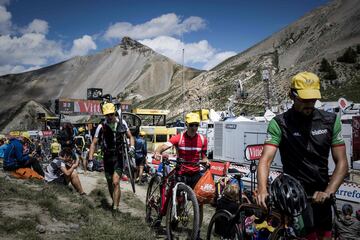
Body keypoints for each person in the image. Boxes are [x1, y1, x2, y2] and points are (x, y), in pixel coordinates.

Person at [256, 72, 348, 240]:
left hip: (323, 193)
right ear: (292, 95)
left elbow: (342, 163)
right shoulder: (279, 123)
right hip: (294, 195)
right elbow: (265, 160)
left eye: (312, 99)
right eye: (304, 99)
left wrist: (328, 191)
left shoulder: (331, 120)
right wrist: (262, 189)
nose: (309, 104)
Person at [154, 112, 209, 238]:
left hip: (195, 173)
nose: (194, 128)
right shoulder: (179, 138)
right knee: (176, 199)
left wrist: (206, 161)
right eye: (192, 125)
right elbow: (164, 146)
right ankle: (166, 216)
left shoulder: (202, 140)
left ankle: (197, 232)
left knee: (199, 203)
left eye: (196, 125)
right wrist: (157, 152)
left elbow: (204, 157)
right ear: (186, 125)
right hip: (181, 172)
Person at [88, 102, 135, 214]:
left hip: (118, 156)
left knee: (115, 182)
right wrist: (90, 159)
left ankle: (115, 208)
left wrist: (131, 147)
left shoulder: (122, 122)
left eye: (111, 114)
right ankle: (114, 202)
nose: (109, 117)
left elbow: (130, 137)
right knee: (109, 182)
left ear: (114, 113)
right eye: (107, 115)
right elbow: (94, 143)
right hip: (107, 157)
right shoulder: (101, 126)